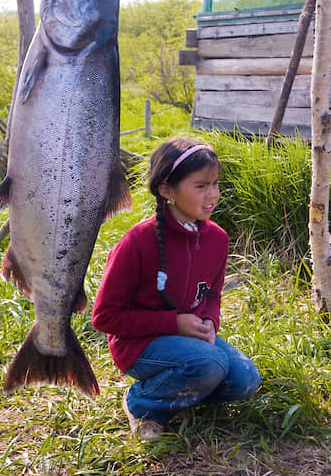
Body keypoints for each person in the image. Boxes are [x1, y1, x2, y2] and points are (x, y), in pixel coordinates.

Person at [92, 137, 261, 440]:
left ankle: (183, 388)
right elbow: (104, 317)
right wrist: (174, 323)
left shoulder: (217, 239)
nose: (213, 195)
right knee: (209, 364)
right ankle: (142, 404)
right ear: (166, 190)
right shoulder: (137, 242)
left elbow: (211, 294)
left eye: (215, 184)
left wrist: (210, 321)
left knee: (246, 379)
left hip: (189, 341)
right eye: (200, 186)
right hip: (138, 345)